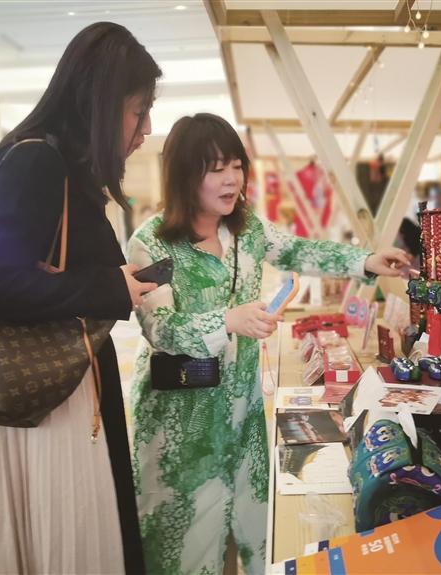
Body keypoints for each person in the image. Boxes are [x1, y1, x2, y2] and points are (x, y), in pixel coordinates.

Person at [127, 113, 413, 574]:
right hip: (180, 427)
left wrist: (365, 261)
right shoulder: (151, 244)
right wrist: (229, 320)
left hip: (241, 414)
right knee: (183, 553)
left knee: (261, 534)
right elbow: (160, 329)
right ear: (183, 174)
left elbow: (300, 251)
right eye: (215, 168)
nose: (231, 179)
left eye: (236, 166)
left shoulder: (248, 230)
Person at [0, 22, 161, 574]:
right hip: (44, 394)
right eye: (139, 111)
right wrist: (109, 286)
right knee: (65, 535)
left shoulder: (64, 167)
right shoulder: (36, 161)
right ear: (100, 102)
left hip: (63, 383)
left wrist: (108, 281)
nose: (147, 128)